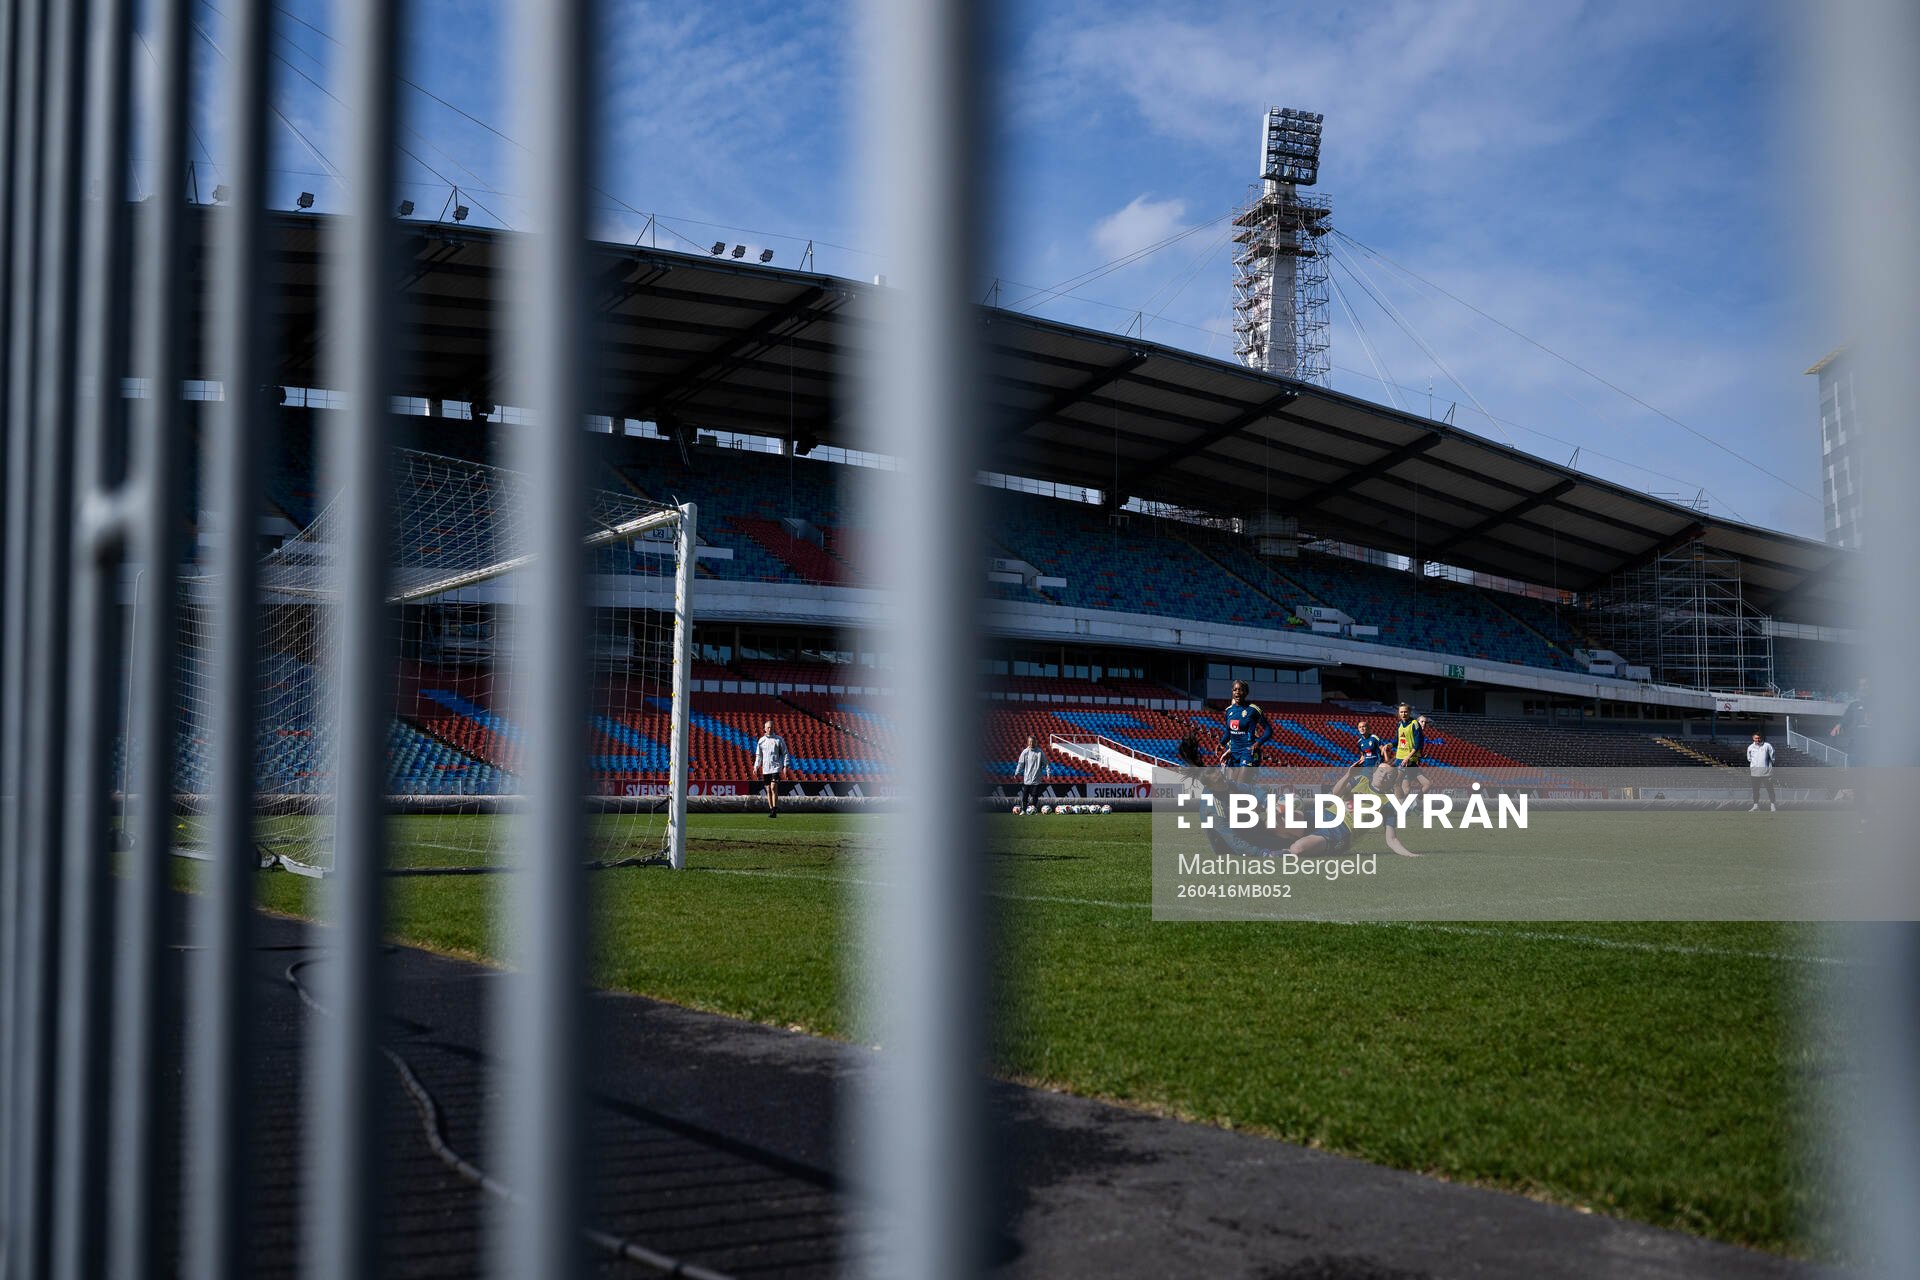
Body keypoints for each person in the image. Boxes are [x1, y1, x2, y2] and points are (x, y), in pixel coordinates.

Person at [1219, 680, 1274, 768]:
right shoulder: (1228, 710)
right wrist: (1221, 743)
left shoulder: (1253, 709)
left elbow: (1269, 730)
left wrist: (1258, 743)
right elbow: (1228, 732)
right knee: (1230, 780)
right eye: (1235, 689)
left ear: (1246, 692)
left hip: (1248, 751)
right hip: (1233, 752)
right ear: (1232, 692)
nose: (1237, 692)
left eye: (1240, 689)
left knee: (1243, 779)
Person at [752, 719, 788, 818]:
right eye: (768, 727)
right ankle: (771, 809)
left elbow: (785, 753)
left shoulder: (778, 740)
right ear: (764, 729)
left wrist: (785, 765)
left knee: (773, 787)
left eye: (771, 727)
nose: (769, 729)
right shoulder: (761, 741)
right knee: (768, 789)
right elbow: (758, 755)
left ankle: (775, 808)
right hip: (766, 769)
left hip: (776, 767)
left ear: (773, 728)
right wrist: (756, 766)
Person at [1014, 735, 1050, 812]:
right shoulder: (1025, 752)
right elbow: (1020, 763)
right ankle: (1023, 810)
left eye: (1033, 742)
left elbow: (1046, 763)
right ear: (1028, 742)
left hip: (1036, 778)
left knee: (1035, 796)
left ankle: (1033, 810)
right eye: (1030, 741)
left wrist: (1048, 773)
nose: (1031, 743)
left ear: (1036, 742)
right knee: (1025, 797)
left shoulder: (1040, 752)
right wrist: (1017, 772)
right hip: (1027, 778)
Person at [1745, 731, 1777, 812]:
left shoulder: (1767, 746)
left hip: (1766, 773)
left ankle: (1772, 805)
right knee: (1755, 790)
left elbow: (1772, 758)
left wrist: (1770, 769)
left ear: (1761, 738)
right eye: (1756, 738)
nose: (1758, 740)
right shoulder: (1750, 747)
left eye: (1759, 738)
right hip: (1755, 772)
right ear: (1753, 738)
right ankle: (1755, 806)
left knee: (1770, 789)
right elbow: (1749, 758)